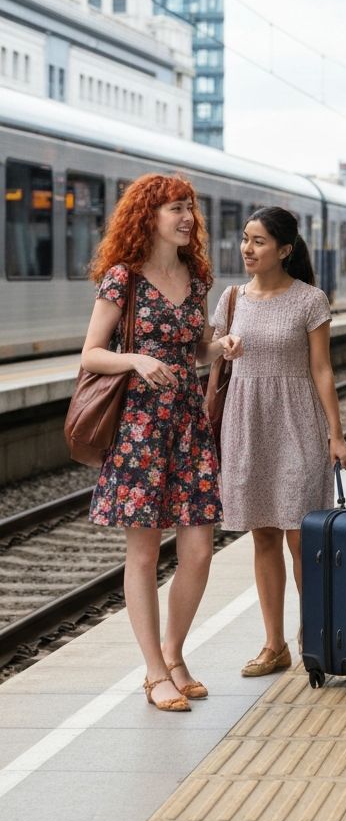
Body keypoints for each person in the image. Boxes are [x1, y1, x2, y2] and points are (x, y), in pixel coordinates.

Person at [84, 173, 241, 712]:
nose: (187, 219)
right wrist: (135, 359)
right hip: (139, 431)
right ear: (148, 215)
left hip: (188, 426)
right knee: (145, 553)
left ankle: (173, 653)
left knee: (199, 548)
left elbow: (194, 346)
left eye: (189, 210)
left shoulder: (197, 279)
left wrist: (218, 345)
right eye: (176, 208)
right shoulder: (122, 280)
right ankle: (154, 673)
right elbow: (90, 354)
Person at [213, 207, 346, 678]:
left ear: (285, 250)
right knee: (265, 537)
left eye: (259, 242)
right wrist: (223, 346)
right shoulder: (232, 299)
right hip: (248, 425)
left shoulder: (310, 300)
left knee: (302, 540)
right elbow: (210, 351)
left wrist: (336, 434)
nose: (247, 249)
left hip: (297, 425)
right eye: (245, 239)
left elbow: (322, 369)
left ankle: (314, 637)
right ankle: (275, 646)